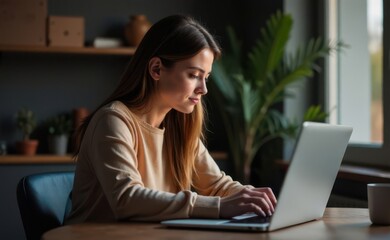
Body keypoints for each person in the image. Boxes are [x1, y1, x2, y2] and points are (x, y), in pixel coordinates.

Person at [66, 14, 276, 224]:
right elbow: (126, 199)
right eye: (194, 75)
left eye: (206, 77)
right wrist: (219, 207)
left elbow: (217, 185)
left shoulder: (180, 124)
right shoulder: (113, 120)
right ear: (156, 69)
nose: (203, 89)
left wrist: (257, 200)